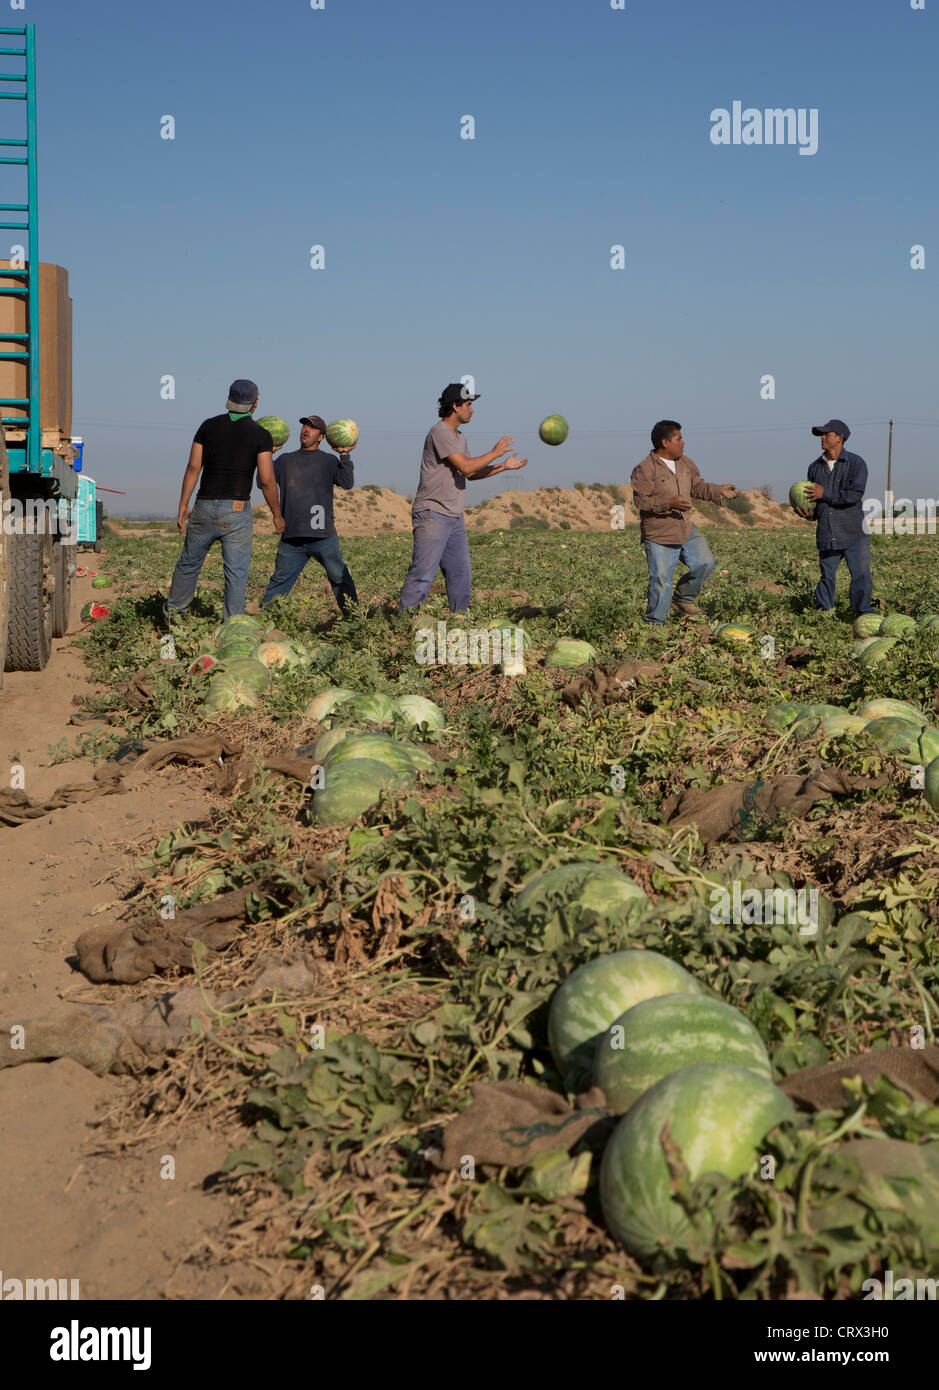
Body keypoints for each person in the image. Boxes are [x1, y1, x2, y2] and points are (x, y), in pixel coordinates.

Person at [398, 383, 527, 613]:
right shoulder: (439, 432)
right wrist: (495, 452)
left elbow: (473, 473)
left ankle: (460, 619)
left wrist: (503, 467)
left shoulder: (460, 438)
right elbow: (467, 467)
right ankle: (404, 624)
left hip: (453, 515)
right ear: (455, 406)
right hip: (433, 513)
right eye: (468, 404)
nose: (472, 409)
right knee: (423, 573)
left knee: (460, 573)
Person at [165, 379, 284, 621]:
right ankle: (232, 628)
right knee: (236, 573)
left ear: (229, 399)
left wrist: (182, 504)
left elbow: (193, 467)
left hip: (203, 506)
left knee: (188, 565)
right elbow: (267, 480)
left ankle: (172, 619)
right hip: (236, 511)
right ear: (255, 403)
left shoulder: (207, 427)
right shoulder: (261, 435)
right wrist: (277, 515)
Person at [630, 421, 737, 625]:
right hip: (659, 533)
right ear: (665, 442)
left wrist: (718, 490)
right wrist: (668, 502)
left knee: (705, 562)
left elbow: (697, 487)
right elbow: (641, 501)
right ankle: (655, 625)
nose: (683, 442)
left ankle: (683, 598)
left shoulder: (686, 463)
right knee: (661, 581)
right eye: (679, 438)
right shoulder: (644, 469)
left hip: (685, 527)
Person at [260, 413, 358, 614]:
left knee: (340, 578)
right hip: (292, 537)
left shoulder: (329, 461)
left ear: (321, 436)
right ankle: (263, 620)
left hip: (322, 535)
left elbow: (347, 483)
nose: (306, 430)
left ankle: (356, 618)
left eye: (312, 428)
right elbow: (263, 480)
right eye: (304, 426)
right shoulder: (285, 460)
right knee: (279, 582)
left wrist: (345, 454)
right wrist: (267, 454)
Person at [792, 418, 874, 616]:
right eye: (821, 434)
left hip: (854, 531)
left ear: (840, 438)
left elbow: (854, 496)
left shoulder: (856, 463)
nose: (822, 438)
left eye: (827, 434)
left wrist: (824, 493)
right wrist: (809, 514)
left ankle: (862, 612)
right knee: (827, 576)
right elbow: (816, 503)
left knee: (861, 575)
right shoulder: (814, 467)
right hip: (827, 531)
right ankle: (824, 614)